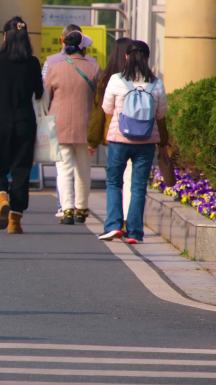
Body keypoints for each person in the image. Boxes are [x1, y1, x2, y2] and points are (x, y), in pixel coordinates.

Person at [99, 40, 168, 244]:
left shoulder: (116, 80)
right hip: (146, 142)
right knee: (138, 186)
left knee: (114, 182)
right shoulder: (156, 83)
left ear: (126, 57)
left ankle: (113, 225)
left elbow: (107, 109)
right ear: (147, 58)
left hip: (119, 139)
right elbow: (161, 113)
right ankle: (135, 232)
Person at [0, 16, 43, 234]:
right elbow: (39, 93)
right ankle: (15, 221)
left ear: (5, 36)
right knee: (21, 169)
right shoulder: (33, 63)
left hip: (0, 120)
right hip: (25, 121)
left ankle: (0, 199)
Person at [45, 30, 100, 225]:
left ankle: (67, 208)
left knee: (64, 168)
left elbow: (45, 98)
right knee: (84, 169)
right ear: (83, 47)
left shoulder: (55, 67)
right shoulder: (94, 68)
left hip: (59, 125)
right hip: (86, 125)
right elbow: (98, 100)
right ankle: (82, 207)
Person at [88, 37, 133, 226]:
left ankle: (114, 220)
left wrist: (93, 139)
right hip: (140, 134)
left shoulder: (106, 78)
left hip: (113, 134)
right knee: (131, 178)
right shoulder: (144, 77)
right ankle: (127, 217)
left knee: (114, 179)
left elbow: (101, 110)